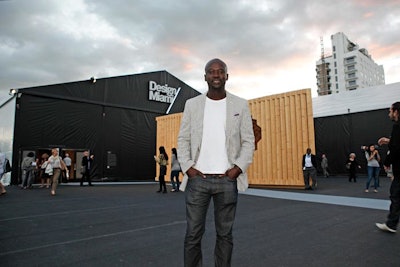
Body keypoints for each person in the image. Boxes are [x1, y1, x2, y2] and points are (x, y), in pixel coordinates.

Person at [177, 58, 255, 266]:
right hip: (198, 180)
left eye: (220, 71)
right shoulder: (192, 105)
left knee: (225, 235)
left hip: (227, 180)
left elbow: (248, 141)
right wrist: (188, 168)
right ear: (205, 77)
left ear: (227, 76)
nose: (216, 75)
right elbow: (183, 139)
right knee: (193, 235)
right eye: (211, 72)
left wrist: (237, 169)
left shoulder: (240, 104)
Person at [376, 102, 400, 233]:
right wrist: (389, 141)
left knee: (395, 195)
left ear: (396, 112)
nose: (389, 113)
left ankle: (391, 224)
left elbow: (396, 148)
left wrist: (386, 162)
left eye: (390, 111)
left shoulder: (397, 127)